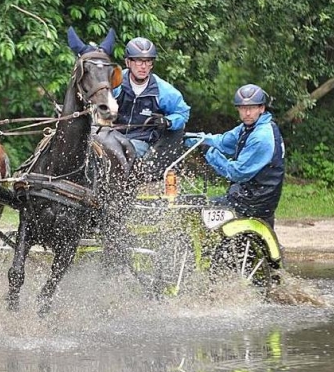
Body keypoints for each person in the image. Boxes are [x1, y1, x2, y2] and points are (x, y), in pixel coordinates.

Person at [185, 84, 285, 229]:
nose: (247, 113)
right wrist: (194, 139)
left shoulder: (261, 136)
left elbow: (236, 173)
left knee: (198, 209)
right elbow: (223, 141)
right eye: (243, 108)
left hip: (255, 201)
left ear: (261, 108)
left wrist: (209, 153)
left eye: (252, 108)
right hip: (250, 194)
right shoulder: (250, 127)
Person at [113, 37, 191, 165]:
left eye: (148, 61)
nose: (143, 67)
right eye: (138, 61)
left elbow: (183, 114)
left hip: (140, 143)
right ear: (128, 62)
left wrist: (168, 122)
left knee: (121, 152)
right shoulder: (115, 81)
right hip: (111, 135)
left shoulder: (164, 91)